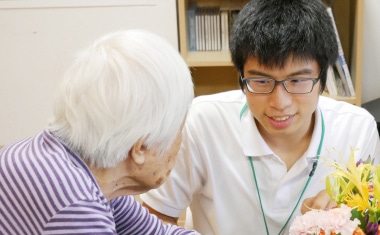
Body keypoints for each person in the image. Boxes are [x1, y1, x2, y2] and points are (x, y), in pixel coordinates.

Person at [141, 0, 380, 234]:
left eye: (297, 80)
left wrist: (346, 208)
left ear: (324, 80)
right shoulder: (202, 123)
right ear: (241, 79)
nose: (279, 103)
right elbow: (155, 217)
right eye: (261, 81)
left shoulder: (357, 129)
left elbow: (372, 219)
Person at [0, 29, 200, 234]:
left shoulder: (91, 172)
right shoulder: (77, 206)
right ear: (141, 148)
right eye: (179, 129)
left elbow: (154, 232)